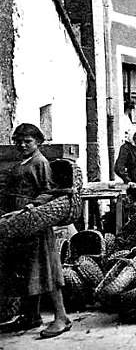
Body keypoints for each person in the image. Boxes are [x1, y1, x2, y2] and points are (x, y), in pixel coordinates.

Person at [0, 124, 71, 338]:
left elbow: (49, 191)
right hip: (18, 223)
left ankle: (62, 318)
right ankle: (31, 316)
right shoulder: (21, 162)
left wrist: (29, 208)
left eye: (27, 141)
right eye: (19, 141)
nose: (22, 145)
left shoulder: (40, 162)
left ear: (38, 142)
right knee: (26, 270)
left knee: (48, 269)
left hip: (35, 223)